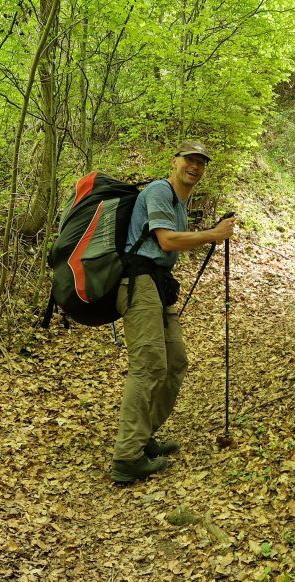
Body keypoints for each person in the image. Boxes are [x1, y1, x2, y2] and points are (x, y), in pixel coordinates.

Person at [111, 141, 236, 483]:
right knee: (149, 365)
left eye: (201, 162)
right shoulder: (158, 191)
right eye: (189, 160)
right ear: (174, 161)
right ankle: (126, 458)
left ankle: (142, 437)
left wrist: (210, 234)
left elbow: (169, 243)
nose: (195, 166)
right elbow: (165, 241)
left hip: (157, 284)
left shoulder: (180, 202)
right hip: (138, 282)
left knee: (175, 362)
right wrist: (212, 234)